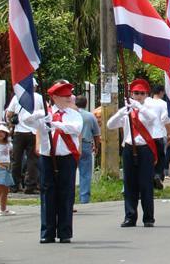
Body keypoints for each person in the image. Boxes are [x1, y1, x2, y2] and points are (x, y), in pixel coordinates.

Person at [24, 81, 83, 243]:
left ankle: (65, 232)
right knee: (47, 194)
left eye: (69, 95)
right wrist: (38, 116)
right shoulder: (45, 113)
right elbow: (27, 122)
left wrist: (55, 124)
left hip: (66, 158)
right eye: (65, 96)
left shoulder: (74, 114)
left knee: (66, 194)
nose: (69, 98)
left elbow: (75, 129)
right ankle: (47, 232)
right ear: (55, 97)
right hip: (47, 158)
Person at [107, 78, 157, 228]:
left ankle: (148, 217)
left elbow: (152, 119)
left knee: (145, 183)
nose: (139, 96)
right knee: (129, 184)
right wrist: (122, 111)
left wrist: (138, 107)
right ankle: (130, 216)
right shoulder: (127, 112)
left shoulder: (148, 109)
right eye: (136, 93)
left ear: (146, 95)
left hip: (144, 148)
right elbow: (110, 125)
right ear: (131, 94)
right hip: (129, 148)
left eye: (142, 93)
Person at [6, 79, 43, 194]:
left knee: (16, 160)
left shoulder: (18, 97)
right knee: (33, 160)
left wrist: (11, 123)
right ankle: (30, 186)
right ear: (35, 87)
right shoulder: (39, 97)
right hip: (33, 132)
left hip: (19, 133)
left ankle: (14, 185)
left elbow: (9, 113)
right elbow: (44, 112)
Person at [75, 96, 101, 204]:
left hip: (73, 145)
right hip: (86, 144)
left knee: (69, 172)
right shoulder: (90, 116)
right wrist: (96, 146)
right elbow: (96, 134)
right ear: (86, 104)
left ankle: (68, 197)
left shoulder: (73, 115)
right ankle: (84, 198)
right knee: (85, 173)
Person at [145, 85, 170, 189]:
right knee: (161, 158)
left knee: (149, 158)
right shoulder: (164, 104)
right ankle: (157, 176)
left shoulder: (146, 102)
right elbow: (165, 119)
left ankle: (149, 177)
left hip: (147, 136)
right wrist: (169, 133)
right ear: (161, 93)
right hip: (159, 134)